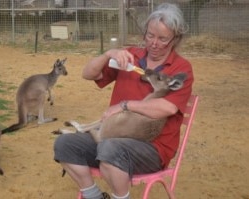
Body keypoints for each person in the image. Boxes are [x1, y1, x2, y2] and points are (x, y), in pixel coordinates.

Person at [54, 3, 194, 199]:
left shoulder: (180, 69)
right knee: (65, 144)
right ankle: (94, 196)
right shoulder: (131, 56)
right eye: (150, 35)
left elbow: (167, 107)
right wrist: (108, 54)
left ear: (175, 39)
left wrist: (124, 105)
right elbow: (88, 74)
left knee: (109, 148)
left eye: (162, 39)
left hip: (151, 148)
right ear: (144, 32)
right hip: (113, 135)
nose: (154, 43)